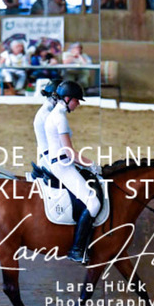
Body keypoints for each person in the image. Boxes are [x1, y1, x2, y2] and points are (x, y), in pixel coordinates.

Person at [44, 81, 101, 263]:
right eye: (76, 100)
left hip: (62, 162)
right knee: (93, 203)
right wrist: (91, 164)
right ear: (67, 98)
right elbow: (69, 152)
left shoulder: (55, 114)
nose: (78, 104)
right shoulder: (60, 118)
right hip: (63, 165)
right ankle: (76, 250)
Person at [33, 79, 62, 169]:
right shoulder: (47, 115)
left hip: (49, 156)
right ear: (55, 96)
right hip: (51, 159)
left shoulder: (47, 111)